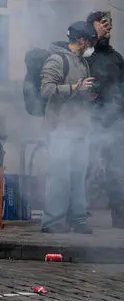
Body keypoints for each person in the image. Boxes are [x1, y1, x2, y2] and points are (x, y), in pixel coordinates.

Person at [40, 21, 99, 234]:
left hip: (79, 129)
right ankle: (52, 221)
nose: (92, 45)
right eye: (90, 40)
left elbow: (78, 93)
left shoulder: (82, 62)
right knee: (60, 176)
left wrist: (88, 95)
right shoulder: (56, 61)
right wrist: (76, 87)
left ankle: (78, 219)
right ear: (81, 40)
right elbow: (46, 91)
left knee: (78, 176)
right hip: (60, 130)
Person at [86, 11, 124, 228]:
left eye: (109, 24)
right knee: (83, 167)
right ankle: (77, 217)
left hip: (114, 122)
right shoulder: (84, 56)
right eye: (102, 24)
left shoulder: (116, 57)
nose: (107, 28)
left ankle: (120, 219)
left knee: (116, 170)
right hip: (89, 121)